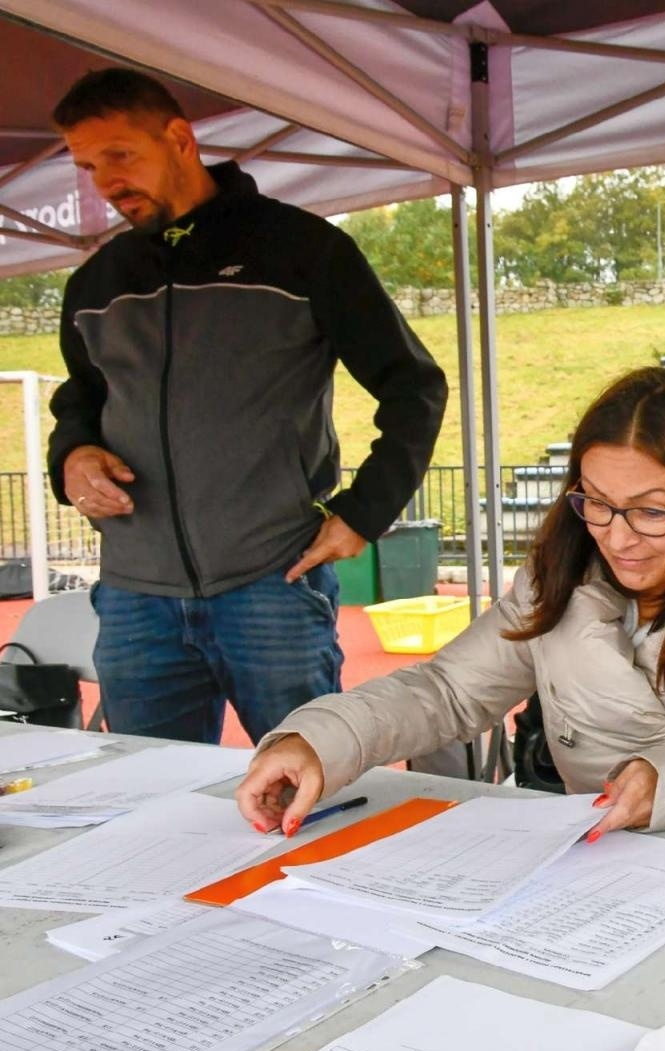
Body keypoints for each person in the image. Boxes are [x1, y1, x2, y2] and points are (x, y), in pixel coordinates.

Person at [237, 367, 665, 838]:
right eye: (595, 502)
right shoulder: (556, 582)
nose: (616, 538)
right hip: (584, 873)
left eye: (651, 511)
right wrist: (319, 740)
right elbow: (450, 692)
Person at [46, 69, 447, 745]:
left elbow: (414, 386)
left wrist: (364, 513)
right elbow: (79, 401)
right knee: (149, 808)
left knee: (310, 797)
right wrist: (73, 457)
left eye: (120, 155)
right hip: (134, 597)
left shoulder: (303, 250)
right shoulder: (96, 282)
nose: (106, 183)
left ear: (179, 139)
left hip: (272, 583)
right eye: (88, 166)